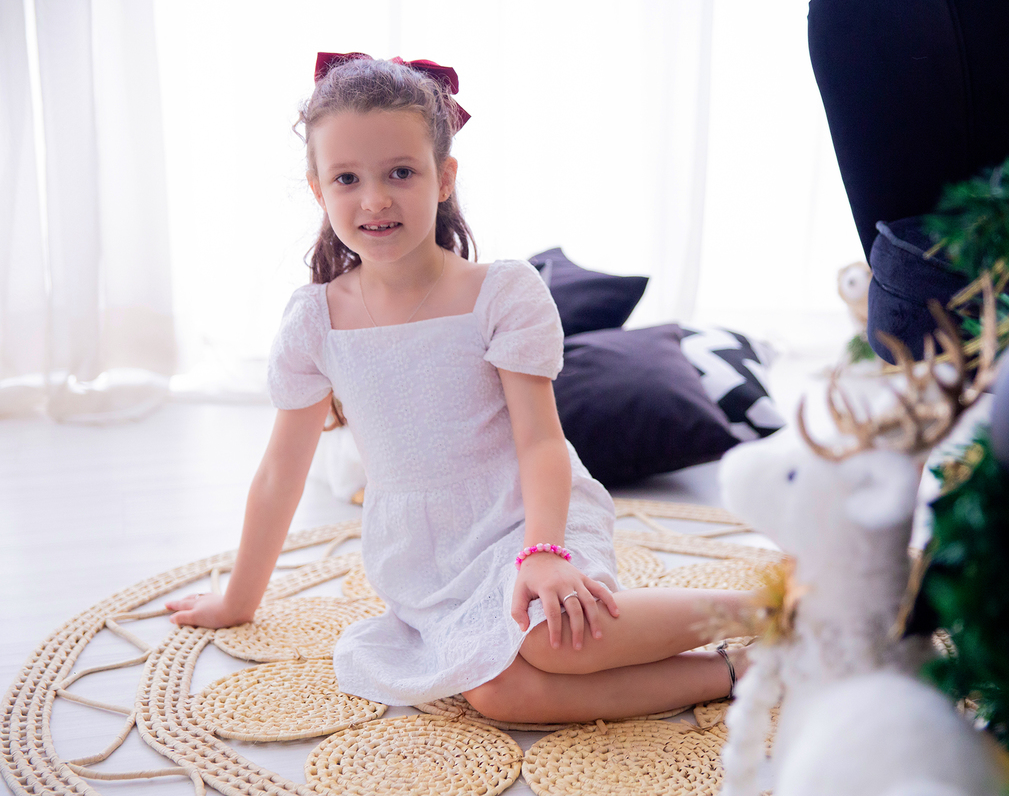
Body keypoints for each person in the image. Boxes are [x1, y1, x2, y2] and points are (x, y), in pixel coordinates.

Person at [166, 53, 752, 724]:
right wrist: (239, 601)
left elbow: (540, 442)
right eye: (347, 179)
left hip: (527, 518)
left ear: (444, 178)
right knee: (500, 693)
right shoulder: (315, 320)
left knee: (551, 644)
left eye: (401, 173)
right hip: (426, 557)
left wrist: (545, 553)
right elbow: (279, 473)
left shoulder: (500, 293)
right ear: (317, 190)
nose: (375, 199)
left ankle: (773, 601)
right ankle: (735, 670)